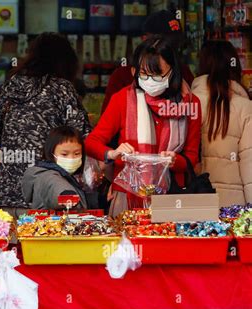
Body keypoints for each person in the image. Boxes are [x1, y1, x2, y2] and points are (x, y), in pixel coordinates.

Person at [85, 37, 202, 217]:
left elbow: (192, 155)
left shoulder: (190, 104)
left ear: (173, 71)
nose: (150, 80)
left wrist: (174, 161)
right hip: (128, 196)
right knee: (128, 245)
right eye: (143, 74)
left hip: (171, 196)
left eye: (157, 74)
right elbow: (92, 142)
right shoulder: (122, 99)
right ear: (134, 72)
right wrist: (112, 153)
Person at [0, 32, 92, 216]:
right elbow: (80, 134)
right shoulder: (61, 88)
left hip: (8, 195)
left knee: (11, 244)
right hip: (46, 195)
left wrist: (14, 142)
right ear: (66, 61)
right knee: (42, 243)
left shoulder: (9, 86)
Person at [192, 40, 252, 206]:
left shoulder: (189, 103)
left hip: (194, 203)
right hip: (233, 208)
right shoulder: (245, 108)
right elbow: (250, 165)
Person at [101, 10, 195, 115]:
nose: (169, 50)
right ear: (144, 39)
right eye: (162, 44)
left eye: (175, 44)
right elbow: (107, 123)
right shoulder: (122, 77)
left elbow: (193, 118)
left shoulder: (183, 74)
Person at [22, 126, 98, 210]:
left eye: (77, 153)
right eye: (64, 154)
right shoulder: (46, 175)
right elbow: (54, 185)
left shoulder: (70, 176)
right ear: (51, 153)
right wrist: (66, 195)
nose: (71, 158)